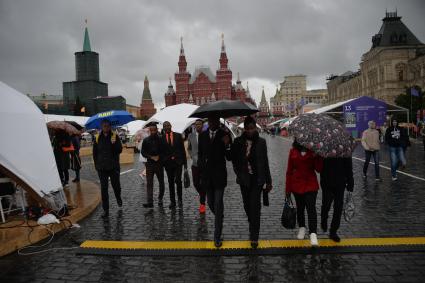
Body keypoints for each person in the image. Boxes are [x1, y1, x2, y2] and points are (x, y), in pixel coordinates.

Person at [232, 116, 272, 248]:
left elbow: (265, 162)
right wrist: (238, 172)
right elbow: (232, 159)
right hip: (244, 179)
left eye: (252, 128)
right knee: (247, 206)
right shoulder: (238, 141)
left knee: (255, 207)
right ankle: (252, 221)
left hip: (257, 179)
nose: (249, 131)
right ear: (244, 128)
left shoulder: (261, 142)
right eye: (247, 128)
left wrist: (269, 181)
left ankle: (254, 235)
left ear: (255, 128)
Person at [198, 115, 232, 247]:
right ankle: (220, 216)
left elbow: (229, 157)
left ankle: (217, 235)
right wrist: (201, 165)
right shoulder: (203, 135)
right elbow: (200, 154)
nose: (214, 122)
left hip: (219, 176)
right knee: (210, 202)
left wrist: (228, 144)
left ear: (218, 122)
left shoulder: (225, 134)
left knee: (218, 203)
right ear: (208, 121)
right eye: (211, 120)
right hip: (207, 175)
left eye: (216, 120)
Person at [285, 140, 322, 246]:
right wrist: (287, 190)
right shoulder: (293, 151)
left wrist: (318, 156)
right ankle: (302, 227)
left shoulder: (313, 151)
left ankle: (313, 233)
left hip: (310, 184)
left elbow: (319, 169)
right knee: (300, 208)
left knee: (311, 209)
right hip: (296, 184)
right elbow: (289, 171)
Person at [93, 120, 123, 218]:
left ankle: (118, 197)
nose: (105, 127)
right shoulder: (97, 138)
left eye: (107, 126)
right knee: (104, 189)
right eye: (104, 126)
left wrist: (114, 143)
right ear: (101, 127)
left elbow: (119, 150)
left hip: (113, 167)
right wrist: (96, 165)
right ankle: (106, 210)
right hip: (101, 167)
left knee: (116, 186)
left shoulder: (115, 136)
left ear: (110, 127)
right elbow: (95, 153)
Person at [320, 157, 354, 242]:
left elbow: (349, 167)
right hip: (327, 181)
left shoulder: (345, 150)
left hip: (340, 182)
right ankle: (324, 219)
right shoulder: (326, 148)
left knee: (338, 207)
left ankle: (333, 231)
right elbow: (320, 165)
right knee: (326, 205)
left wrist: (350, 183)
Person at [161, 121, 188, 208]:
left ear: (171, 126)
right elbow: (161, 152)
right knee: (170, 182)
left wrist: (185, 164)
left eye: (168, 125)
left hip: (178, 162)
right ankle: (172, 201)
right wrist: (164, 162)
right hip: (168, 164)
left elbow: (182, 150)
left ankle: (180, 200)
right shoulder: (161, 138)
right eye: (165, 126)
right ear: (163, 128)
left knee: (178, 181)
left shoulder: (178, 136)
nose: (167, 127)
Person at [141, 123, 165, 208]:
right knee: (149, 183)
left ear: (157, 129)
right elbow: (143, 152)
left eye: (154, 130)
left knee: (161, 182)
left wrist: (159, 156)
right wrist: (150, 157)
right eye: (151, 130)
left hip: (159, 163)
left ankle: (160, 198)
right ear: (149, 130)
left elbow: (165, 151)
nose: (153, 132)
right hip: (150, 164)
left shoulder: (161, 139)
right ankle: (150, 202)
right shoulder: (146, 140)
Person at [188, 119, 206, 214]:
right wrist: (191, 155)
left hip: (204, 163)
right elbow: (189, 148)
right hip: (195, 163)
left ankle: (202, 203)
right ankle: (203, 194)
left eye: (199, 124)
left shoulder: (206, 135)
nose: (198, 126)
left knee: (203, 183)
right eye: (196, 124)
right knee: (195, 183)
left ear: (202, 125)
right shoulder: (191, 135)